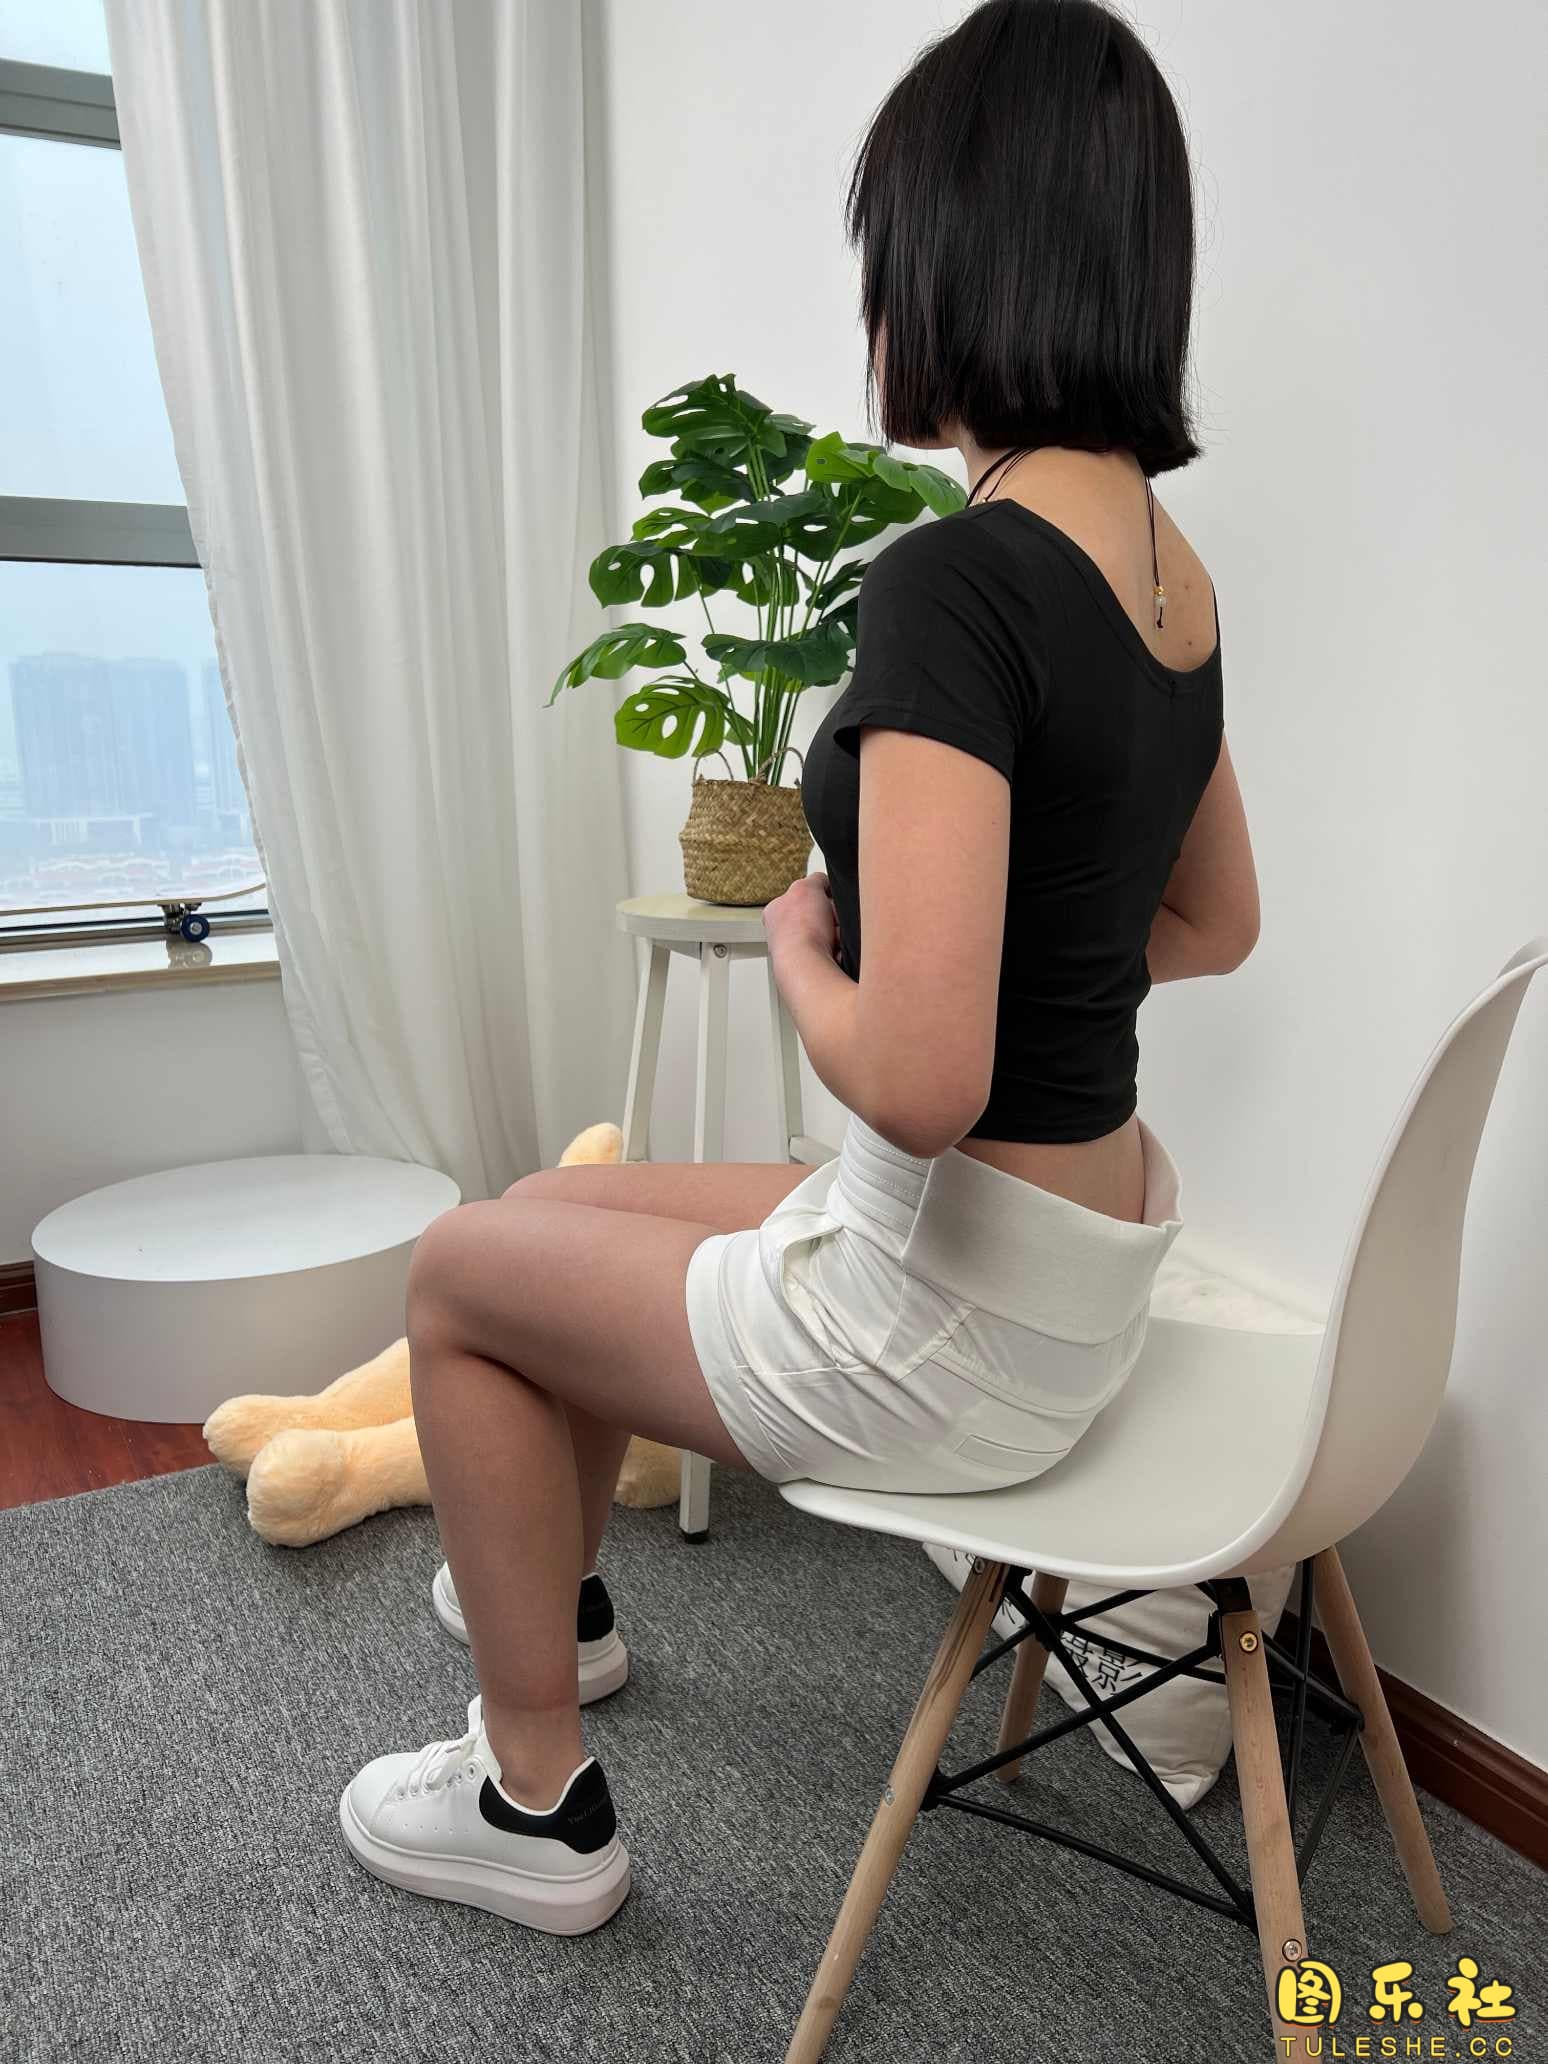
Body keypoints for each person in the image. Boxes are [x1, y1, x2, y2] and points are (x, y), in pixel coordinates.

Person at [338, 0, 1260, 1938]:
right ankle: (563, 1609)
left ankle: (532, 1800)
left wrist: (801, 950)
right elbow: (1212, 921)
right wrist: (1024, 959)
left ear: (955, 262)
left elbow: (915, 1081)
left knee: (454, 1277)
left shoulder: (957, 582)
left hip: (939, 1325)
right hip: (1066, 1281)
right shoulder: (1167, 582)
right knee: (556, 1209)